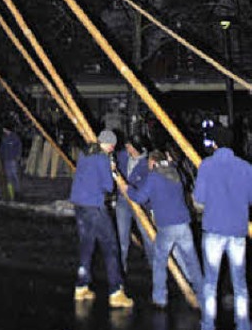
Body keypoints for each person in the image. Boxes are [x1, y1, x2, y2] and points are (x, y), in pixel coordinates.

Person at [193, 125, 252, 330]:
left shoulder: (207, 166)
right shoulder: (246, 167)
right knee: (240, 287)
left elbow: (199, 198)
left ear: (215, 144)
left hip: (213, 231)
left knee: (210, 285)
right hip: (237, 232)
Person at [128, 149, 203, 310]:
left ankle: (160, 298)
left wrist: (128, 190)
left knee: (160, 261)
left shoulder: (154, 177)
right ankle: (203, 294)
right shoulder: (175, 173)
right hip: (184, 224)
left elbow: (140, 198)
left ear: (153, 161)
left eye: (149, 163)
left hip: (167, 225)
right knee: (192, 262)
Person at [69, 128, 133, 308]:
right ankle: (115, 291)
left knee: (87, 245)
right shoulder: (103, 158)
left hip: (79, 205)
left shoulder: (85, 153)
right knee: (111, 246)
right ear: (109, 144)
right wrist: (112, 171)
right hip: (94, 206)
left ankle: (81, 286)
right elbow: (108, 186)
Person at [115, 134, 154, 271]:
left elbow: (145, 189)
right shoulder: (123, 156)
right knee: (122, 236)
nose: (127, 147)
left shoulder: (147, 164)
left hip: (140, 203)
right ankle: (121, 269)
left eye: (129, 146)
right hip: (123, 201)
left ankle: (153, 265)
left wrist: (129, 189)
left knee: (147, 235)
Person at [0, 124, 23, 200]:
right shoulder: (4, 138)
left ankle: (17, 192)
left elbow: (19, 147)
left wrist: (18, 156)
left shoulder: (14, 138)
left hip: (12, 159)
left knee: (14, 176)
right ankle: (11, 193)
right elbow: (2, 148)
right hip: (7, 160)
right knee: (9, 177)